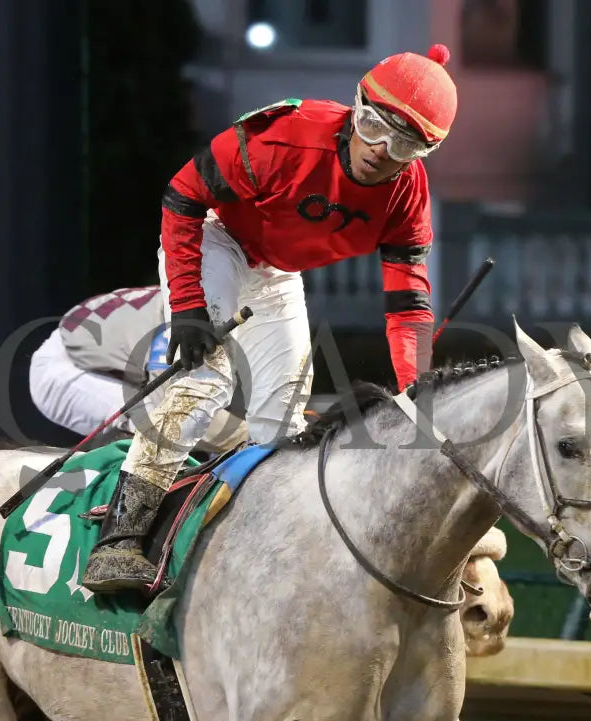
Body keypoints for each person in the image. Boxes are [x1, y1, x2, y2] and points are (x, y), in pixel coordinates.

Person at [81, 44, 458, 593]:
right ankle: (119, 539)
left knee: (284, 422)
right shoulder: (286, 137)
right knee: (204, 383)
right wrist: (187, 305)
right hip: (216, 237)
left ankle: (269, 547)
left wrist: (415, 385)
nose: (380, 150)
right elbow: (182, 197)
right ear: (356, 106)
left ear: (424, 153)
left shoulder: (407, 197)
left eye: (404, 143)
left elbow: (408, 303)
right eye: (373, 125)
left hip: (277, 270)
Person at [28, 285, 247, 451]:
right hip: (65, 369)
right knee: (159, 423)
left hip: (99, 348)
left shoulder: (207, 293)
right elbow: (180, 413)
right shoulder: (179, 327)